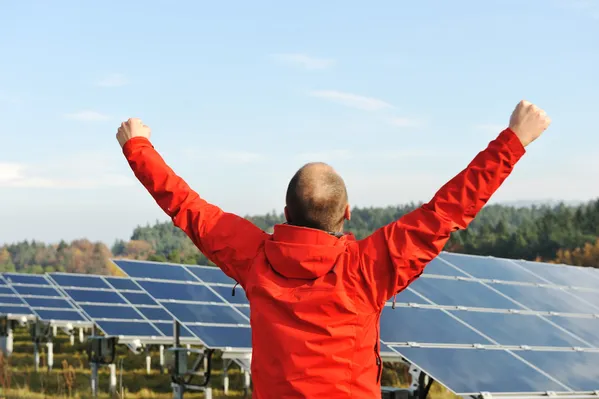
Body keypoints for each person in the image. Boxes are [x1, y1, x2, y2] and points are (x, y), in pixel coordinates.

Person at [116, 100, 550, 398]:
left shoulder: (254, 258)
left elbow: (187, 207)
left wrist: (137, 147)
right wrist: (513, 141)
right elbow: (446, 212)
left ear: (285, 211)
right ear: (347, 215)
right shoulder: (367, 268)